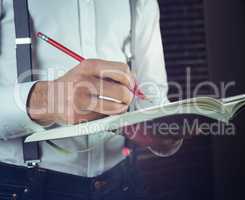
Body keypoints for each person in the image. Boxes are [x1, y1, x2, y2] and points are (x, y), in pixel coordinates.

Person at [0, 0, 169, 199]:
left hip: (125, 182)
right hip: (22, 186)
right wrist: (46, 100)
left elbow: (152, 99)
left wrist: (162, 133)